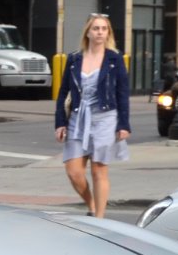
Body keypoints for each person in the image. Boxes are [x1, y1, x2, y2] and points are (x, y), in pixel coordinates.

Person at [54, 13, 131, 218]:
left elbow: (122, 92)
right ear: (88, 32)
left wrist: (124, 125)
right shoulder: (74, 58)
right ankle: (92, 204)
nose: (100, 32)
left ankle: (99, 218)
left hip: (105, 118)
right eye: (96, 28)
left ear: (108, 33)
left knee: (99, 170)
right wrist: (60, 122)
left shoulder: (114, 59)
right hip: (78, 118)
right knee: (74, 172)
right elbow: (63, 92)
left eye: (104, 29)